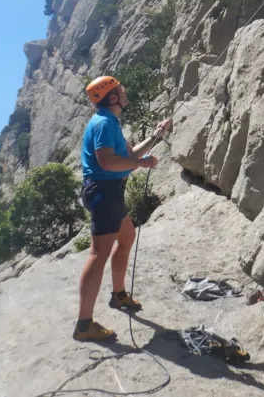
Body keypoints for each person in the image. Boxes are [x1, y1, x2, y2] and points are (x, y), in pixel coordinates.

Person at [73, 75, 173, 343]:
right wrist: (142, 165)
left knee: (127, 237)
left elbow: (129, 156)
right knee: (97, 255)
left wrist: (156, 135)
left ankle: (118, 296)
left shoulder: (109, 121)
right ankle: (84, 324)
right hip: (103, 193)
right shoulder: (105, 123)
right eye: (120, 88)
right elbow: (107, 162)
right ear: (113, 97)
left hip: (109, 193)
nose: (125, 90)